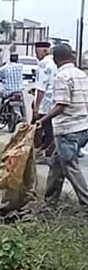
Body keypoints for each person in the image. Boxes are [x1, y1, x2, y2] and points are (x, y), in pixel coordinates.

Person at [35, 44, 88, 210]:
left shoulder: (61, 76)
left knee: (70, 167)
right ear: (71, 57)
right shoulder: (82, 74)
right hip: (83, 127)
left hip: (68, 129)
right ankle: (49, 204)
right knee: (57, 164)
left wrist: (43, 120)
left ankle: (86, 203)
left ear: (56, 59)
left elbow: (62, 105)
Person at [32, 41, 59, 164]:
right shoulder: (56, 63)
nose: (36, 54)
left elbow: (41, 87)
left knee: (41, 127)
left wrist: (36, 107)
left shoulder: (43, 64)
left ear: (43, 50)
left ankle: (45, 154)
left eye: (37, 51)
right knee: (50, 128)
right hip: (56, 101)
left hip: (46, 102)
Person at [0, 53, 26, 121]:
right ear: (17, 60)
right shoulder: (20, 67)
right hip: (18, 91)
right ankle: (24, 117)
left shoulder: (5, 68)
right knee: (22, 103)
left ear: (9, 59)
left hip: (8, 92)